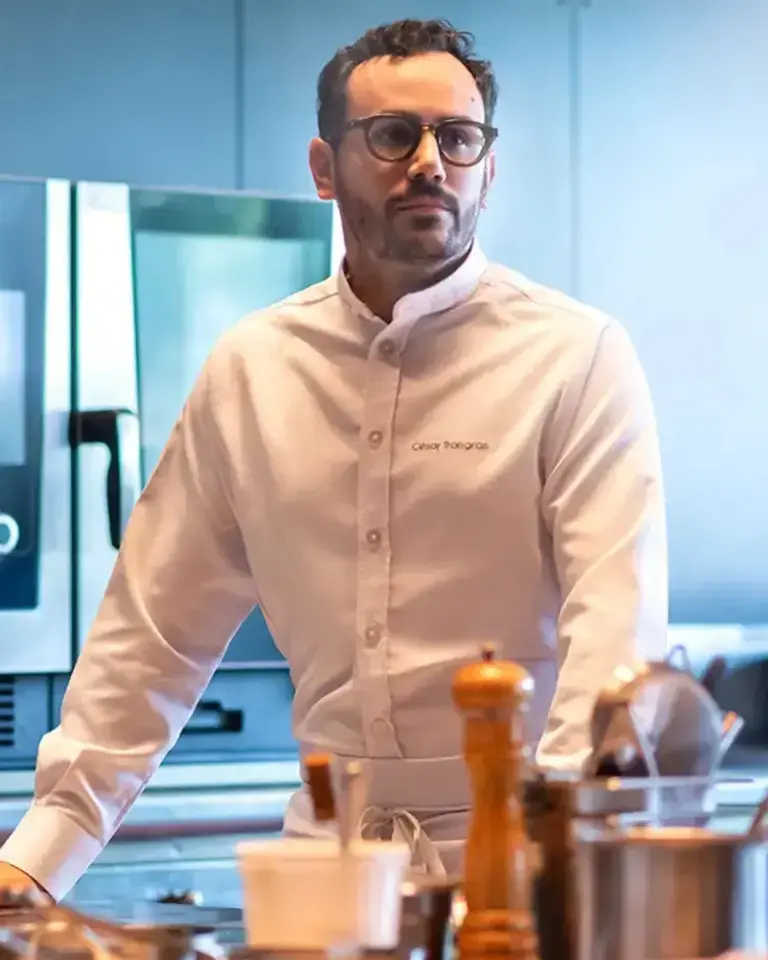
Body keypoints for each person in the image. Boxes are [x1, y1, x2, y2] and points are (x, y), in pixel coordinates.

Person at [0, 17, 668, 899]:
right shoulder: (253, 368)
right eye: (394, 135)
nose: (430, 160)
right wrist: (34, 865)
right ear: (324, 168)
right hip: (324, 866)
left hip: (520, 857)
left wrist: (548, 862)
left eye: (458, 138)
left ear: (489, 169)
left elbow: (614, 637)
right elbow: (151, 639)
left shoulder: (578, 357)